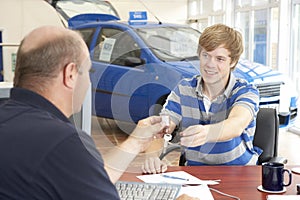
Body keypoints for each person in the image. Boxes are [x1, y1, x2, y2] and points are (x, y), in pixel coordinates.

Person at [0, 26, 199, 200]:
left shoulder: (12, 122)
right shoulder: (61, 142)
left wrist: (136, 141)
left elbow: (82, 178)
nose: (89, 82)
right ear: (70, 75)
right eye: (88, 71)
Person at [142, 23, 261, 174]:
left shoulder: (245, 91)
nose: (210, 64)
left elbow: (236, 124)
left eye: (219, 59)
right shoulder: (184, 89)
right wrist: (152, 157)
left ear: (233, 62)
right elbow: (162, 128)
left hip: (240, 174)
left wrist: (208, 133)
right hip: (195, 175)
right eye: (206, 55)